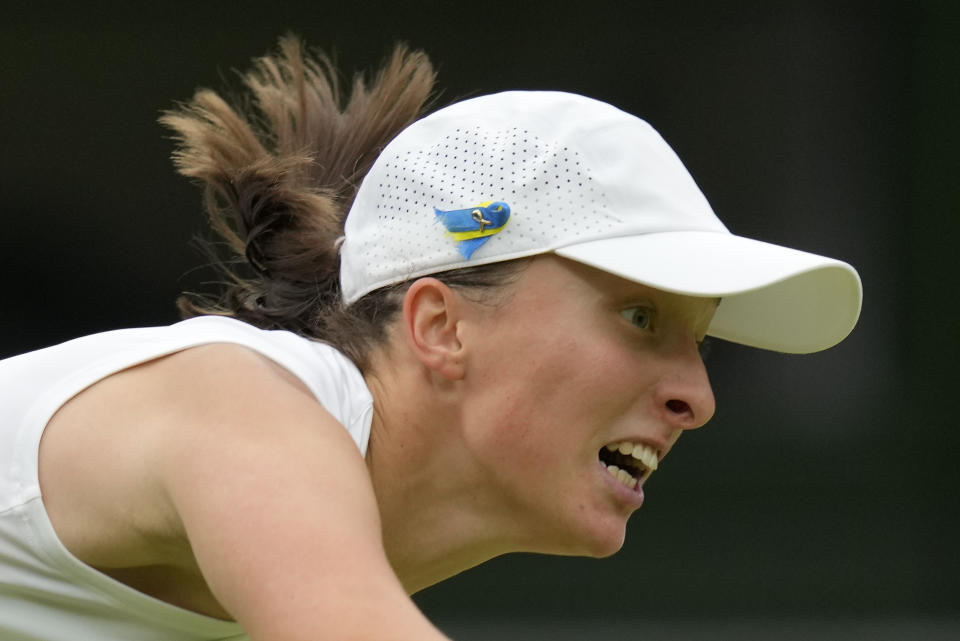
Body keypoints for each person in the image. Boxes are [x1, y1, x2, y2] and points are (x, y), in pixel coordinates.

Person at [0, 36, 862, 641]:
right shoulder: (244, 402)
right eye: (641, 316)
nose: (698, 398)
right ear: (439, 326)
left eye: (700, 342)